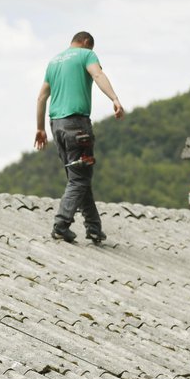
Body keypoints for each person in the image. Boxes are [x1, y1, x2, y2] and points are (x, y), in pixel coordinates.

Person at [34, 31, 125, 243]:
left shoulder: (54, 61)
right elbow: (98, 75)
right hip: (77, 126)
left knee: (79, 178)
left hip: (56, 126)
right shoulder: (86, 55)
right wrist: (115, 98)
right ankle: (61, 224)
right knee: (80, 179)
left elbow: (41, 97)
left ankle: (94, 228)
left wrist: (40, 128)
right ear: (86, 43)